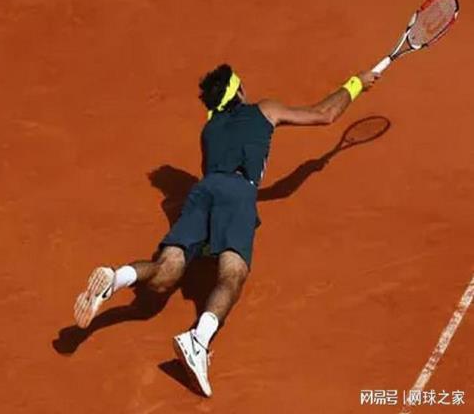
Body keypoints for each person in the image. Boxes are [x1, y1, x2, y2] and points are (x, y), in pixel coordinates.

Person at [73, 64, 379, 396]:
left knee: (165, 271)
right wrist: (356, 83)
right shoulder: (265, 109)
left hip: (203, 191)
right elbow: (325, 114)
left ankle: (116, 278)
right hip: (238, 193)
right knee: (232, 274)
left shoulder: (208, 131)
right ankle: (198, 339)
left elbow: (214, 176)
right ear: (240, 92)